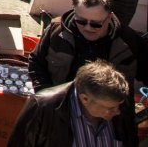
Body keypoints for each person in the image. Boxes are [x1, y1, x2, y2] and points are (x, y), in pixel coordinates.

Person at [28, 0, 148, 94]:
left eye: (96, 24)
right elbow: (36, 61)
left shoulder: (128, 41)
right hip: (60, 108)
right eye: (81, 21)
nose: (87, 28)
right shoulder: (56, 30)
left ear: (109, 18)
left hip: (107, 117)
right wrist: (45, 95)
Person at [9, 60, 138, 147]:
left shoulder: (120, 103)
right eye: (110, 108)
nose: (118, 111)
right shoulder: (43, 107)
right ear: (85, 99)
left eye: (118, 105)